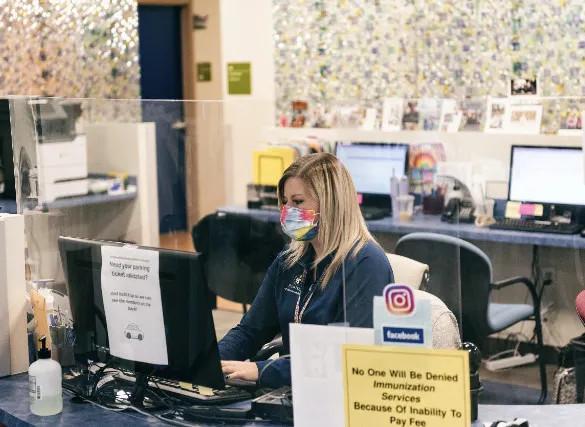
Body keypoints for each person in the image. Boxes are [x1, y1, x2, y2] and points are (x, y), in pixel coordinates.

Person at [219, 153, 394, 388]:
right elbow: (250, 331)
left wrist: (262, 370)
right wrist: (210, 362)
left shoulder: (367, 264)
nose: (287, 210)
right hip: (291, 390)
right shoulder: (289, 261)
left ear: (331, 203)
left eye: (298, 202)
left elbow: (348, 359)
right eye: (284, 201)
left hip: (337, 394)